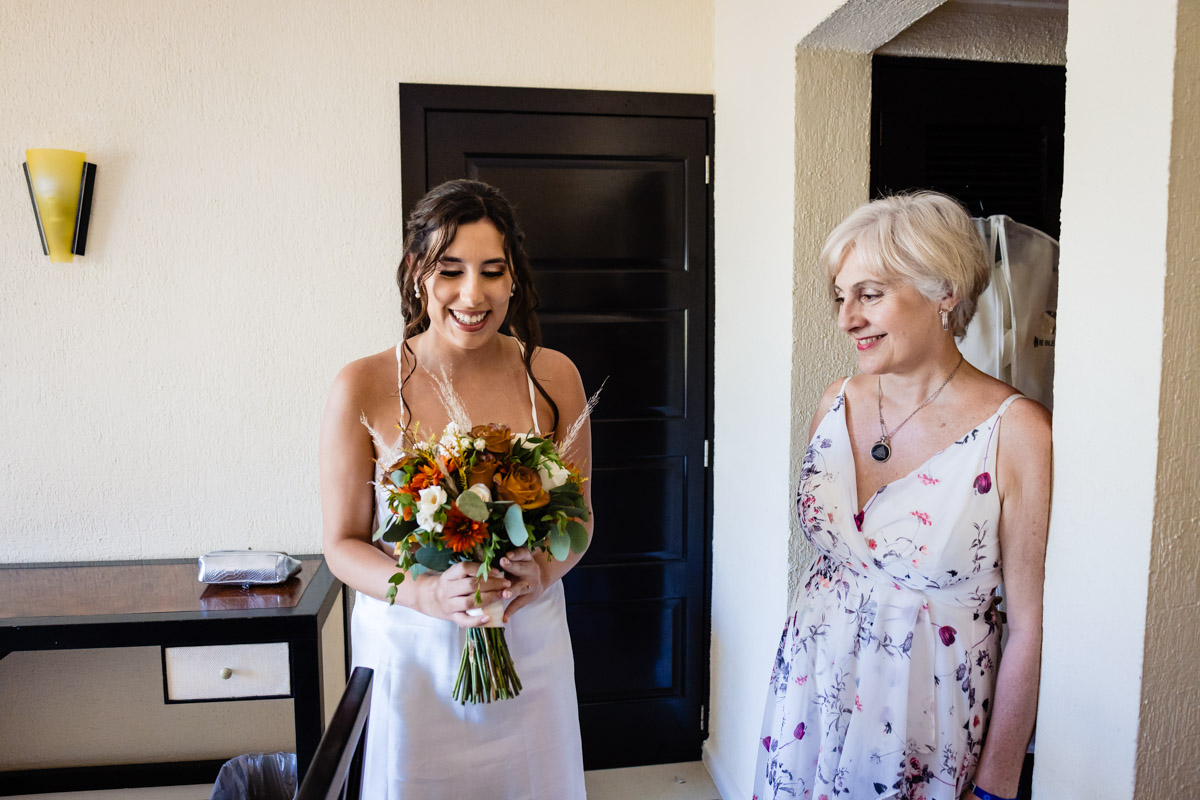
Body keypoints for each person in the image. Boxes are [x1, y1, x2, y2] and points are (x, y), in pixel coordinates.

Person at [753, 192, 1051, 800]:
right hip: (810, 699)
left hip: (928, 725)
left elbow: (1029, 626)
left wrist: (996, 782)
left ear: (945, 291)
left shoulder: (1016, 432)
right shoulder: (836, 403)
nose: (846, 319)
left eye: (870, 294)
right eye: (841, 297)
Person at [319, 179, 592, 799]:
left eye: (492, 271)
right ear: (418, 273)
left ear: (514, 278)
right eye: (451, 270)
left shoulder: (553, 377)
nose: (473, 295)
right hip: (411, 653)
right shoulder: (362, 385)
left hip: (528, 641)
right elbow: (341, 545)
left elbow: (583, 522)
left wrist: (542, 571)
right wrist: (422, 593)